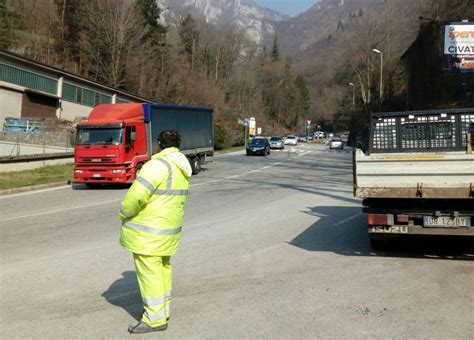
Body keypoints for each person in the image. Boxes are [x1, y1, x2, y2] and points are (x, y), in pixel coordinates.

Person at [119, 130, 192, 334]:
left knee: (150, 274)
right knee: (162, 270)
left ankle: (154, 319)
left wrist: (124, 213)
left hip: (148, 234)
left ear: (159, 144)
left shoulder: (156, 166)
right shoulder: (181, 167)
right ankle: (162, 310)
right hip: (168, 231)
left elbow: (136, 197)